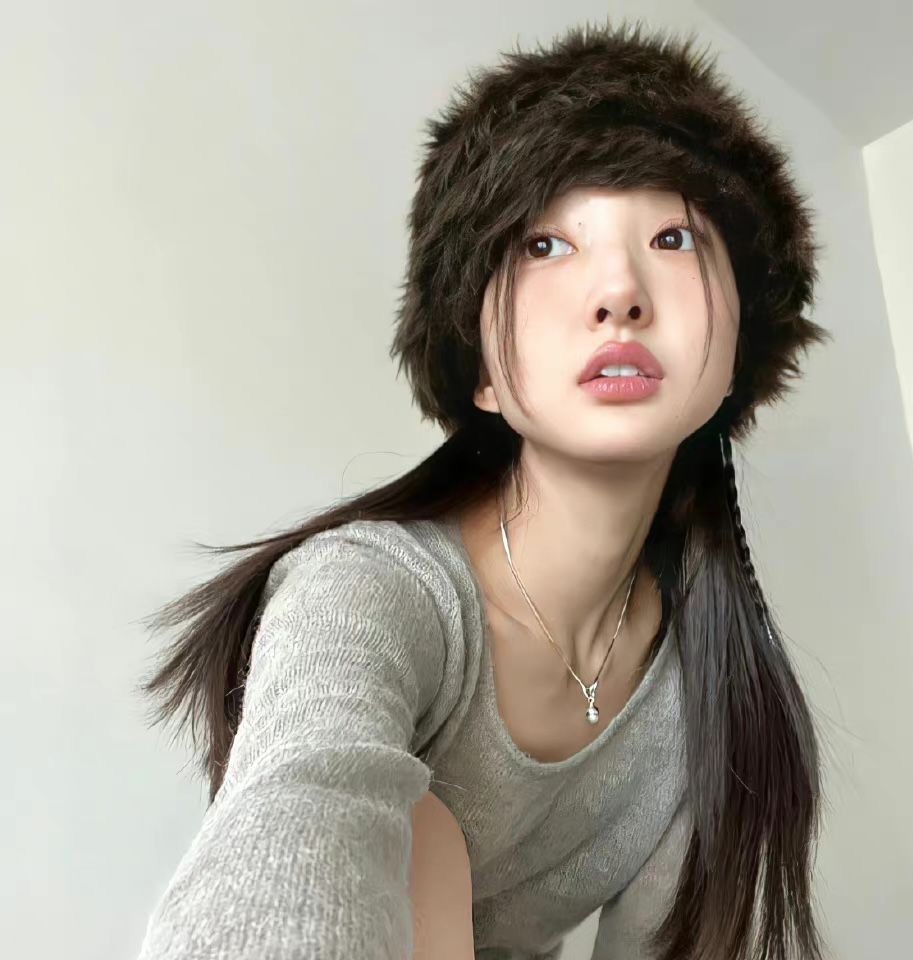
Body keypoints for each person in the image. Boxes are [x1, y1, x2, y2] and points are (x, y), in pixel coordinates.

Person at [135, 18, 834, 960]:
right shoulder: (368, 590)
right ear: (482, 374)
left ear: (740, 352)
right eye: (545, 246)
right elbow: (295, 820)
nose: (619, 292)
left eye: (672, 237)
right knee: (419, 839)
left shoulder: (705, 696)